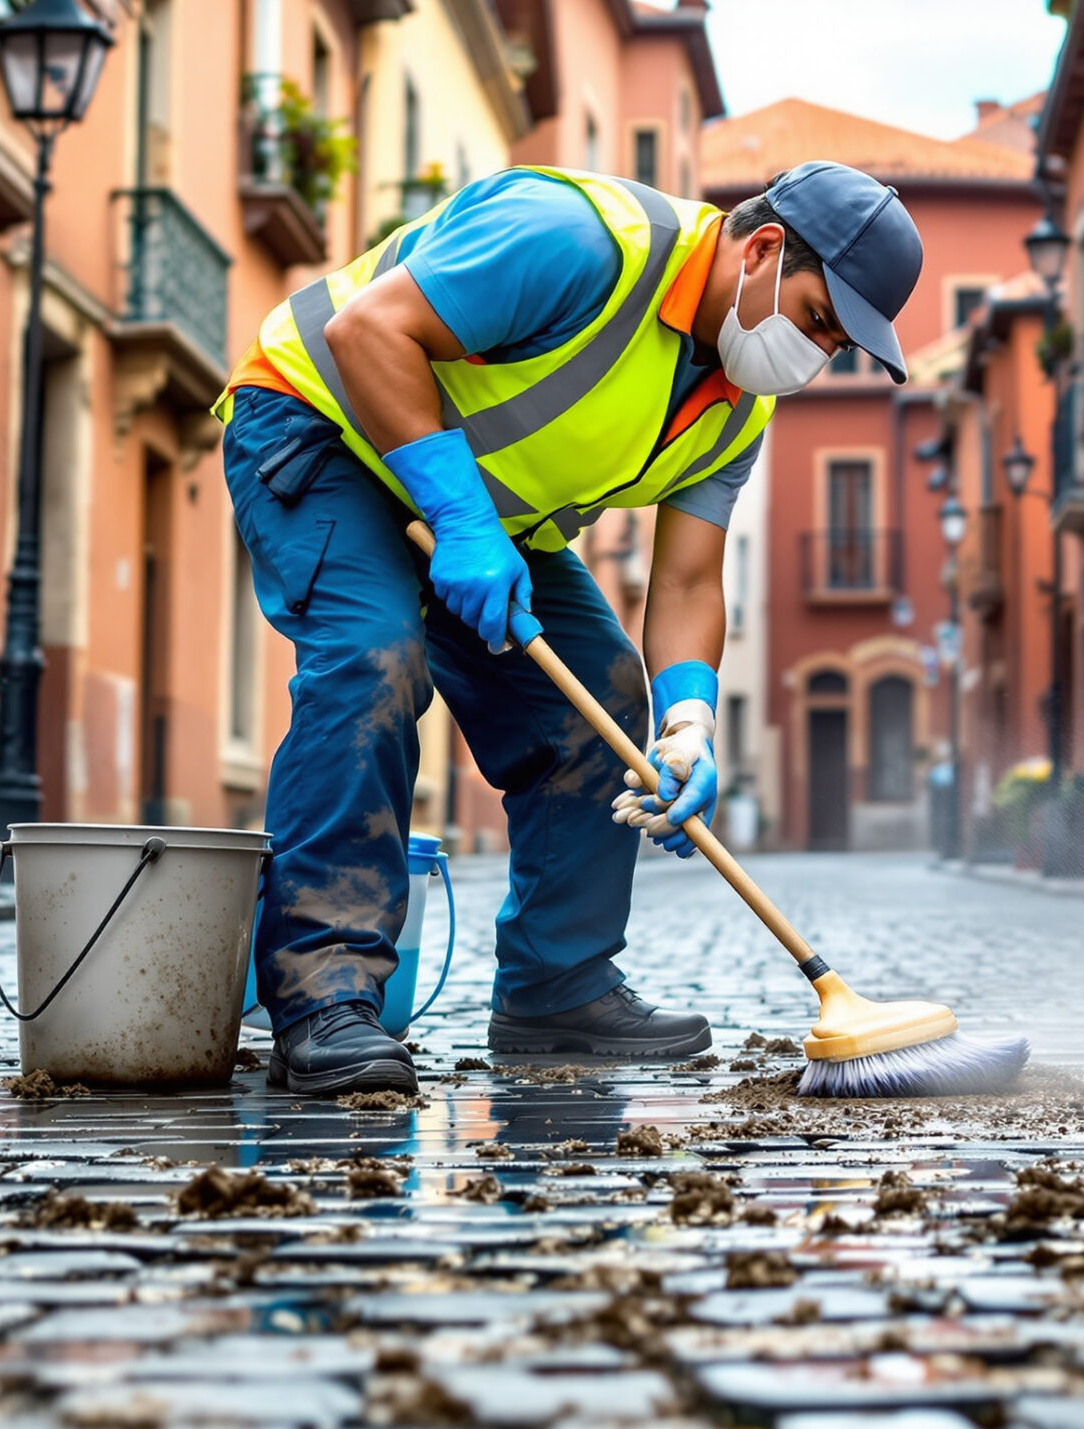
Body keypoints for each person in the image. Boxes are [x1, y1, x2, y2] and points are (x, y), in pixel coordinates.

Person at [211, 161, 924, 1095]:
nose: (816, 354)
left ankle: (557, 990)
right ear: (761, 248)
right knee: (374, 654)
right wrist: (461, 522)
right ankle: (324, 995)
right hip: (318, 424)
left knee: (604, 698)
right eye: (819, 319)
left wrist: (687, 727)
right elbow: (368, 330)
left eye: (837, 346)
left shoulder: (734, 413)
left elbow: (685, 581)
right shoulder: (580, 240)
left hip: (480, 513)